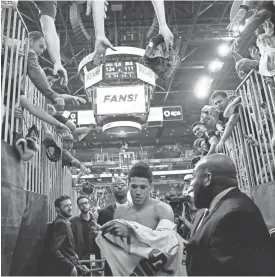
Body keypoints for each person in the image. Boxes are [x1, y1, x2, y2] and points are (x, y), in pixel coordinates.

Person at [186, 154, 275, 276]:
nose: (190, 186)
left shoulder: (235, 214)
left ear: (208, 178)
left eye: (193, 177)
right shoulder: (214, 209)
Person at [96, 162, 184, 276]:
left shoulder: (163, 209)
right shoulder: (120, 211)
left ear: (151, 187)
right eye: (134, 186)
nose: (138, 192)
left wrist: (132, 231)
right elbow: (118, 250)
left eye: (143, 187)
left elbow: (167, 245)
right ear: (128, 185)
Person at [95, 177, 129, 276]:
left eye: (122, 185)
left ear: (128, 188)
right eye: (116, 186)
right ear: (112, 190)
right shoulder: (104, 213)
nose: (119, 187)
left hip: (134, 260)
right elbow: (99, 238)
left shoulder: (138, 211)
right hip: (112, 261)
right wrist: (97, 261)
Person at [48, 195, 89, 276]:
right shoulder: (61, 223)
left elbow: (66, 249)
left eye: (70, 205)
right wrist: (70, 267)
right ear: (57, 209)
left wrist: (77, 264)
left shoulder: (65, 222)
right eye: (66, 206)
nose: (70, 208)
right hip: (66, 271)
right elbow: (54, 249)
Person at [70, 196, 97, 266]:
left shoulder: (97, 220)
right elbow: (70, 240)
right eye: (81, 204)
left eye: (86, 203)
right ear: (79, 207)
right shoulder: (73, 222)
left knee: (95, 274)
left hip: (95, 256)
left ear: (89, 204)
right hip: (80, 256)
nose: (84, 205)